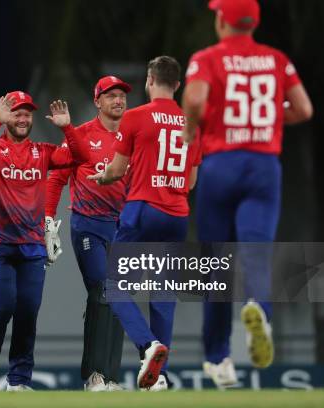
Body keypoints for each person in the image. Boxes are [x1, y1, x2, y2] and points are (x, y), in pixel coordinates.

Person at [181, 0, 313, 387]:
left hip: (221, 163)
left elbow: (193, 98)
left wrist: (192, 130)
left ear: (222, 19)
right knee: (255, 251)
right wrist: (271, 119)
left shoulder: (207, 57)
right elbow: (304, 108)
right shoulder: (275, 59)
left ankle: (218, 357)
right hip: (262, 165)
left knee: (215, 263)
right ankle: (260, 312)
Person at [0, 91, 89, 391]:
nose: (22, 119)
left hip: (32, 246)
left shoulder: (43, 151)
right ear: (8, 117)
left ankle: (19, 380)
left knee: (28, 311)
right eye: (16, 113)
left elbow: (83, 158)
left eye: (27, 114)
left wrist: (67, 128)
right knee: (2, 307)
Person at [89, 56, 201, 391]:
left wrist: (103, 176)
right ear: (177, 85)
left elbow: (118, 170)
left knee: (115, 285)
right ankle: (160, 378)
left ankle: (147, 346)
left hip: (142, 209)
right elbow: (192, 180)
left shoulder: (136, 117)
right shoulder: (192, 123)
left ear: (150, 81)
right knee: (164, 294)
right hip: (178, 214)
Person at [45, 76, 131, 391]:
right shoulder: (80, 135)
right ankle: (93, 375)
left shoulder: (132, 137)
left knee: (118, 296)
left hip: (122, 227)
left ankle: (109, 376)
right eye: (111, 96)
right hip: (88, 224)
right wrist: (47, 221)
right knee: (101, 288)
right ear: (98, 101)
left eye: (122, 96)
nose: (118, 101)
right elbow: (55, 179)